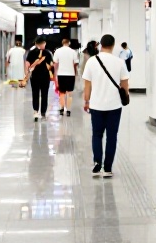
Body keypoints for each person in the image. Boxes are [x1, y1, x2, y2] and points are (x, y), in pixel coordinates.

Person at [82, 34, 129, 178]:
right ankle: (107, 167)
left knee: (97, 134)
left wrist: (86, 101)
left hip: (96, 105)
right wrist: (125, 98)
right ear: (113, 45)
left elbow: (87, 85)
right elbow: (125, 85)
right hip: (114, 105)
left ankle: (97, 163)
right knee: (112, 136)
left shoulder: (91, 61)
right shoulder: (120, 62)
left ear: (101, 45)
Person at [25, 36, 54, 121]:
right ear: (44, 43)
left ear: (35, 43)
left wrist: (27, 74)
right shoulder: (48, 53)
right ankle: (43, 112)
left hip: (34, 77)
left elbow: (27, 64)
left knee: (35, 94)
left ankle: (36, 111)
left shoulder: (31, 53)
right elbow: (51, 65)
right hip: (45, 77)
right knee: (44, 94)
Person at [53, 37, 81, 117]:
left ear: (62, 43)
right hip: (70, 74)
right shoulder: (73, 52)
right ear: (69, 43)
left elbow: (55, 63)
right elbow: (75, 63)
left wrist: (55, 74)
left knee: (61, 93)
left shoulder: (58, 51)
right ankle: (68, 110)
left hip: (61, 74)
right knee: (69, 93)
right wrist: (75, 73)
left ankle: (61, 109)